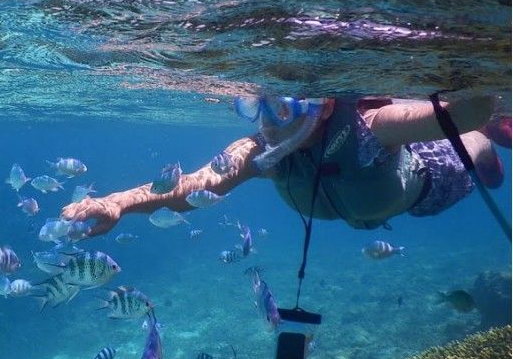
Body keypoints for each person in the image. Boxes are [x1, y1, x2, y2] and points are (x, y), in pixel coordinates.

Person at [61, 95, 509, 236]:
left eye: (285, 110)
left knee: (470, 144)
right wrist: (117, 203)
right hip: (371, 209)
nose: (271, 125)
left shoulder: (371, 125)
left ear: (325, 106)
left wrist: (477, 101)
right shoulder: (259, 151)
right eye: (259, 107)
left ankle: (491, 140)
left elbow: (459, 115)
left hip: (433, 183)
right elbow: (195, 188)